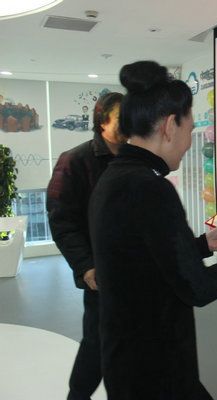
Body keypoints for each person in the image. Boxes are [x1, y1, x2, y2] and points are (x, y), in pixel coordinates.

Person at [88, 60, 217, 400]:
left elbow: (144, 256)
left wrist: (201, 245)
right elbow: (197, 288)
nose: (189, 143)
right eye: (189, 128)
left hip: (125, 358)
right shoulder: (150, 188)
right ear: (170, 126)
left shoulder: (114, 177)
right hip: (157, 368)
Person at [46, 91, 125, 400]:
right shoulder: (74, 160)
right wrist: (86, 265)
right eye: (120, 117)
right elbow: (61, 220)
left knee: (136, 344)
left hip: (136, 272)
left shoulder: (136, 158)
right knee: (97, 342)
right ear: (102, 121)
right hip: (100, 274)